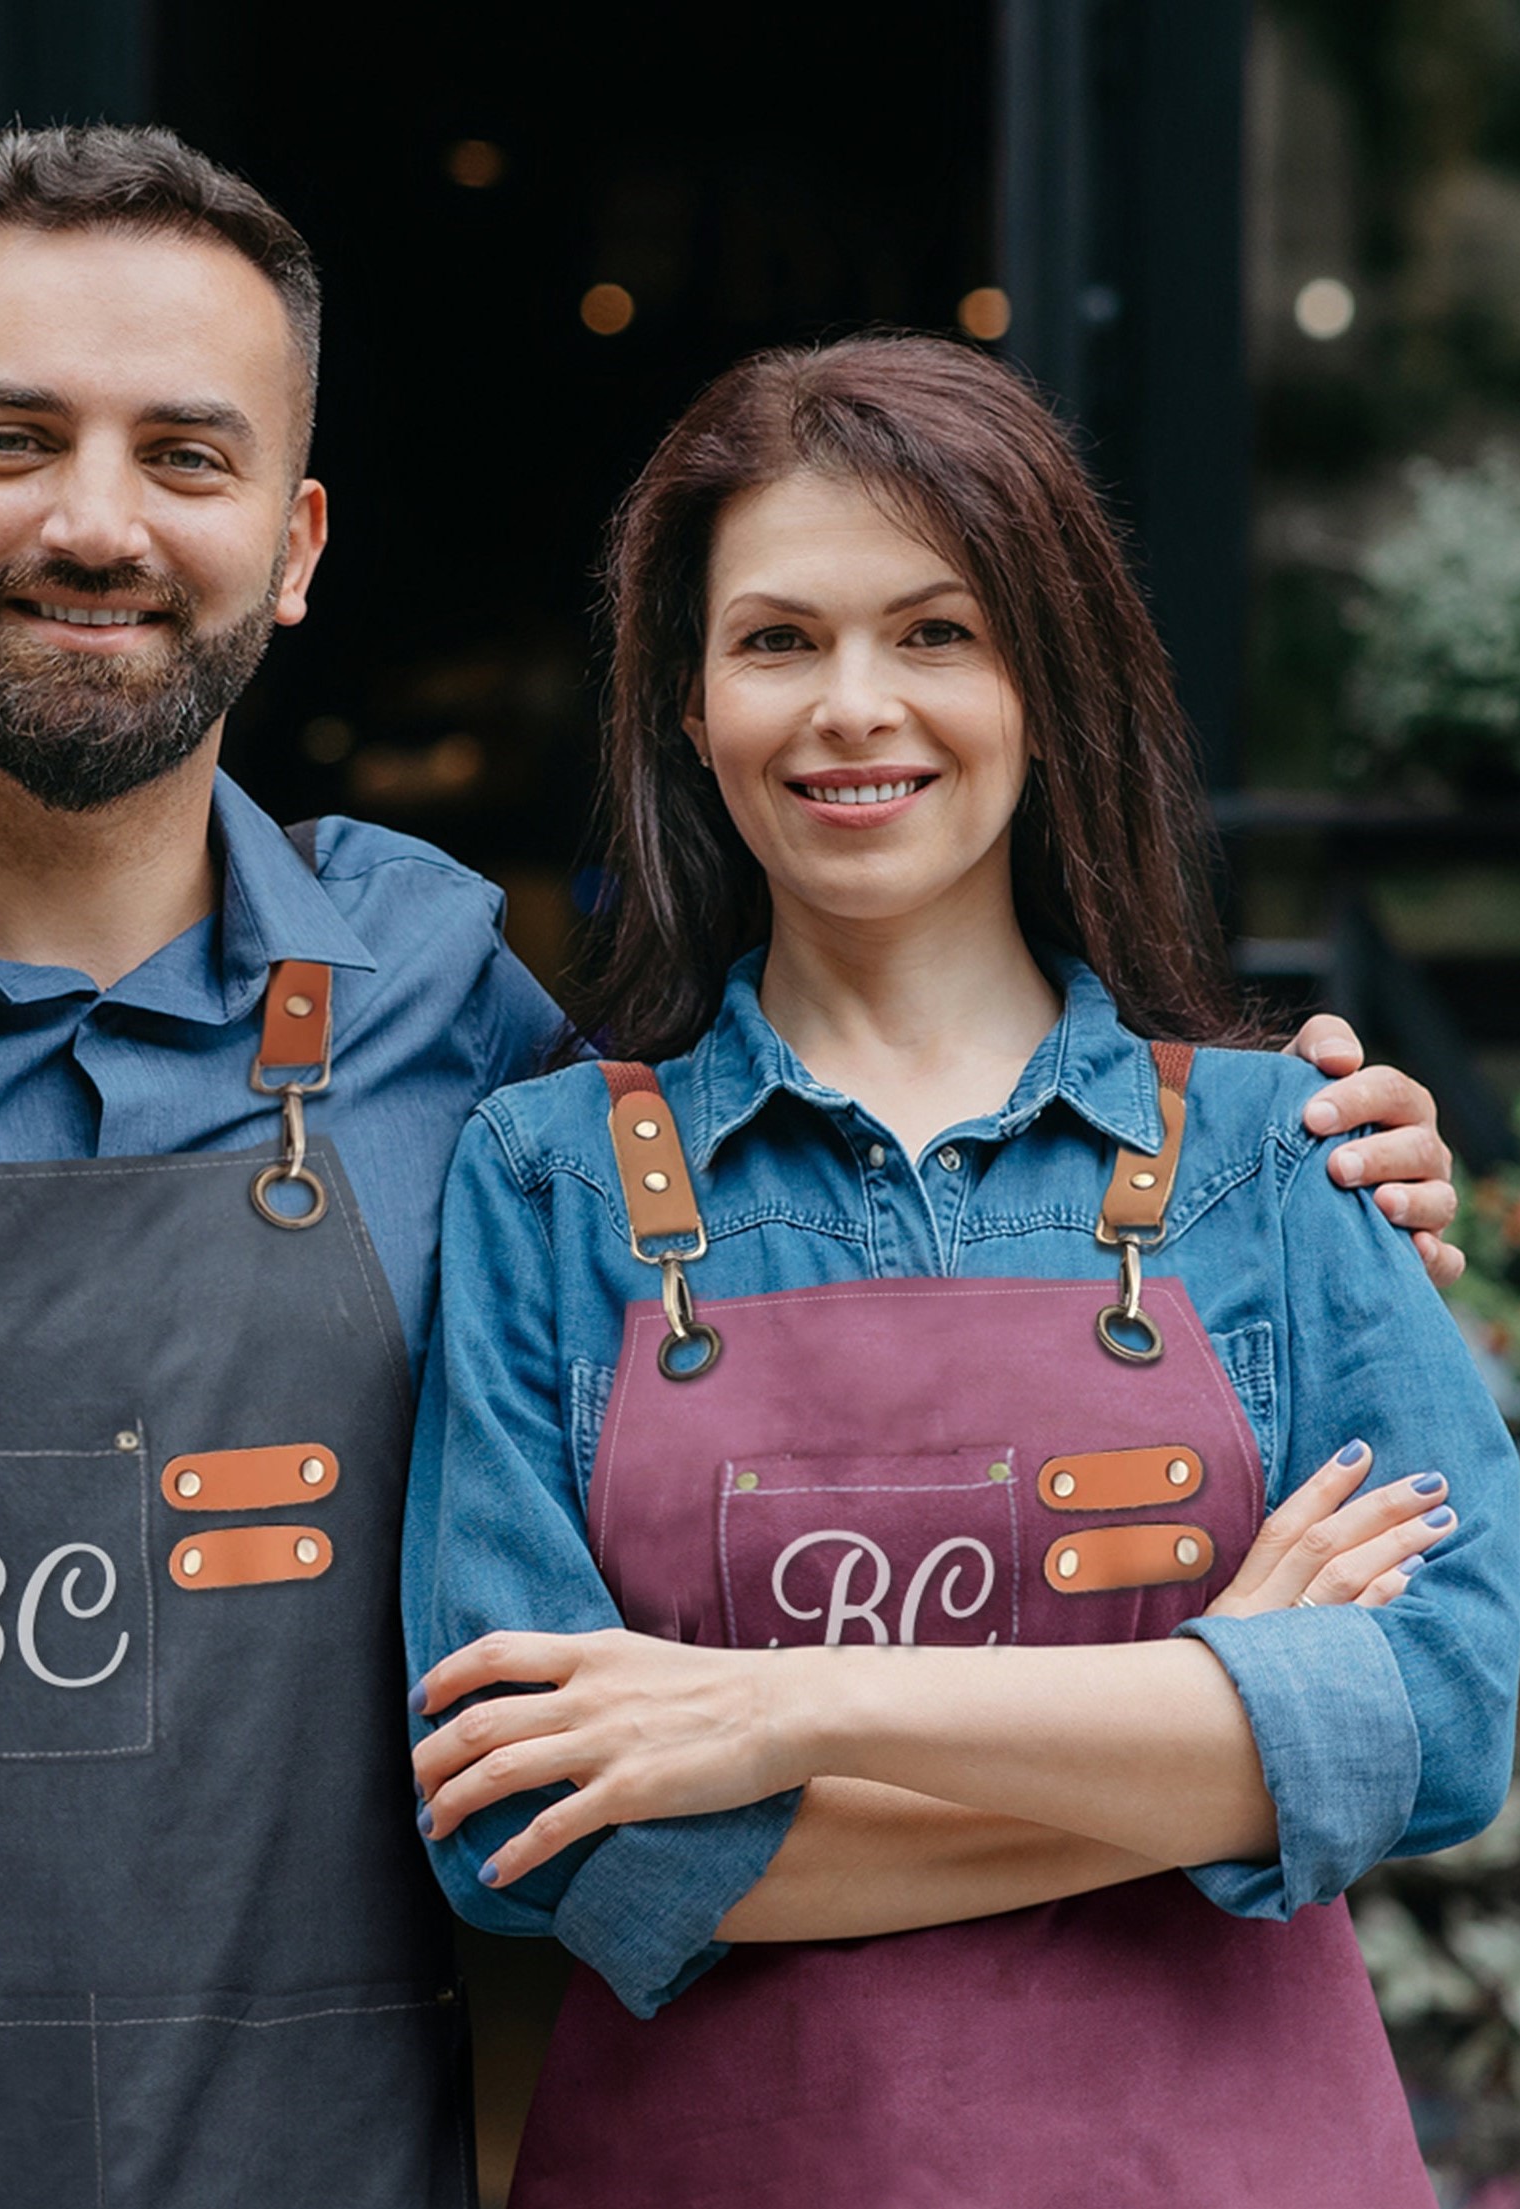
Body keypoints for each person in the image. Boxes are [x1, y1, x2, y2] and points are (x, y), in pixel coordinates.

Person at [0, 133, 1453, 2209]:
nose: (95, 519)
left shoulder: (449, 1008)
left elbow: (852, 1181)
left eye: (185, 453)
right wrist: (1205, 1739)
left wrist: (1304, 1159)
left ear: (299, 538)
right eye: (8, 440)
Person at [404, 335, 1518, 2206]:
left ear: (1043, 679)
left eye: (935, 632)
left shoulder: (1278, 1153)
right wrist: (1216, 1710)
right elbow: (536, 1831)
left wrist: (789, 1714)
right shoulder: (544, 1185)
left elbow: (1442, 1714)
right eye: (774, 640)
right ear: (685, 702)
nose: (854, 706)